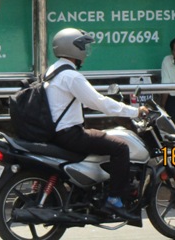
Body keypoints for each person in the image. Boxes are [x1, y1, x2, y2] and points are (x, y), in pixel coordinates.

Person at [46, 28, 148, 223]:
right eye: (83, 46)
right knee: (120, 147)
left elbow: (77, 100)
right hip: (70, 134)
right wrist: (134, 111)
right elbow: (99, 102)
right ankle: (113, 199)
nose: (86, 51)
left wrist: (104, 103)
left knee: (104, 139)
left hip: (58, 132)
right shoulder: (72, 76)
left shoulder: (53, 71)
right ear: (73, 48)